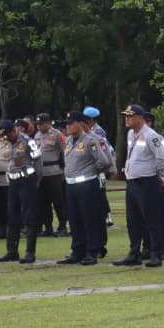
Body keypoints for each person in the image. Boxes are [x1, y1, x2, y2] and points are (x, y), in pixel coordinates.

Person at [112, 104, 164, 268]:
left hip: (147, 181)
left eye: (130, 116)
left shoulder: (151, 135)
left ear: (140, 117)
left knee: (152, 219)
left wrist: (158, 174)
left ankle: (155, 253)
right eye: (126, 116)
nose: (127, 119)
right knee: (133, 220)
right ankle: (134, 252)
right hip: (133, 182)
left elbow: (163, 158)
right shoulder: (131, 134)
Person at [59, 110, 114, 265]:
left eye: (71, 123)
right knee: (75, 219)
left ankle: (92, 251)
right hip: (71, 184)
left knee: (89, 218)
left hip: (87, 183)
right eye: (67, 124)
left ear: (80, 124)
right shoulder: (69, 141)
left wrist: (91, 171)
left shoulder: (91, 140)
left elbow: (104, 162)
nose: (68, 126)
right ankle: (77, 250)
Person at [0, 118, 44, 263]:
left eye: (7, 136)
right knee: (12, 216)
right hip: (13, 182)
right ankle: (11, 251)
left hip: (27, 181)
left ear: (13, 131)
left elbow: (38, 163)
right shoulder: (6, 143)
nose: (6, 139)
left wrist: (36, 182)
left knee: (29, 217)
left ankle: (30, 252)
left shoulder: (28, 142)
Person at [34, 113, 68, 238]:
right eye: (37, 124)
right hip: (41, 173)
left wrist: (64, 168)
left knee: (58, 201)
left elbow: (65, 151)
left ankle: (62, 226)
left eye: (41, 124)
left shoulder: (57, 135)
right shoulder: (37, 136)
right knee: (43, 202)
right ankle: (48, 227)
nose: (39, 126)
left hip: (54, 172)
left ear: (48, 123)